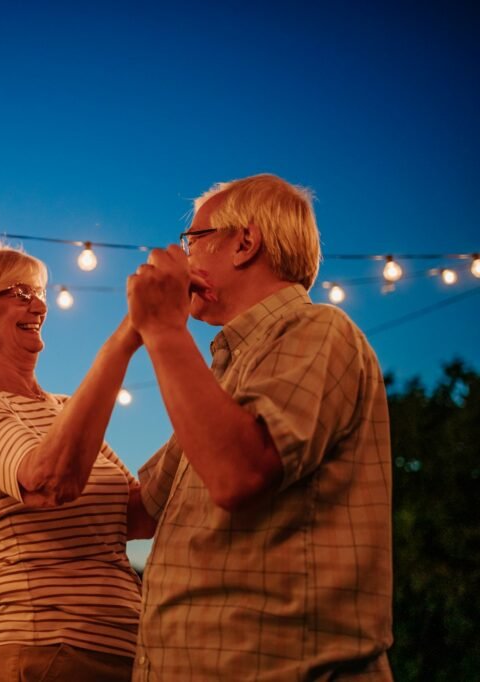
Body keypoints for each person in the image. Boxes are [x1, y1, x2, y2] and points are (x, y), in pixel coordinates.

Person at [126, 174, 393, 680]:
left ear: (244, 242)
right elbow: (137, 512)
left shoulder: (320, 331)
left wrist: (162, 329)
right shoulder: (225, 374)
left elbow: (238, 473)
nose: (184, 256)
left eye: (194, 240)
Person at [0, 242, 163, 681]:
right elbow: (47, 483)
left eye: (39, 292)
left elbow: (139, 514)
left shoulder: (66, 410)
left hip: (127, 652)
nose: (39, 304)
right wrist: (129, 336)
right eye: (18, 292)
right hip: (47, 650)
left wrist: (210, 410)